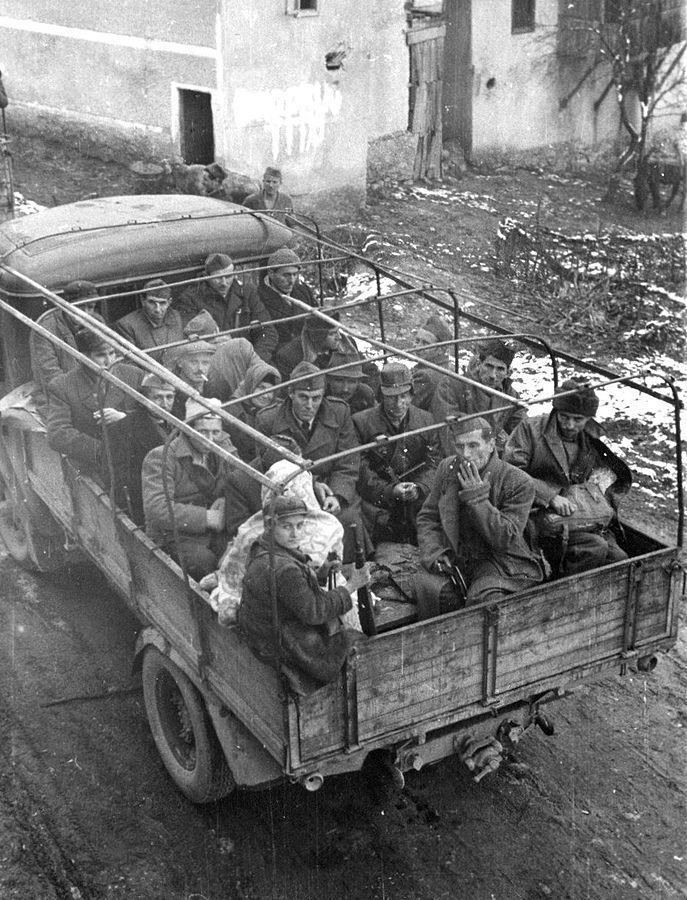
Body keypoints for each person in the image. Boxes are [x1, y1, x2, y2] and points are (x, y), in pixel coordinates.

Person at [415, 416, 544, 616]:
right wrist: (435, 552)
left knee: (485, 604)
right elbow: (428, 517)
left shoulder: (518, 480)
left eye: (473, 445)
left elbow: (507, 538)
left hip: (500, 561)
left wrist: (477, 498)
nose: (465, 454)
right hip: (456, 555)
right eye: (460, 446)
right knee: (429, 591)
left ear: (491, 445)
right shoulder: (447, 468)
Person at [238, 495, 369, 691]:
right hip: (282, 644)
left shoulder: (263, 547)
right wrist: (352, 585)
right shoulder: (283, 568)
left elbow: (291, 592)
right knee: (357, 642)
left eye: (299, 526)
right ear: (270, 525)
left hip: (266, 633)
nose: (295, 534)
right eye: (287, 527)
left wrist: (321, 573)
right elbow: (314, 611)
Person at [505, 380, 631, 576]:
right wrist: (550, 496)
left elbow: (604, 479)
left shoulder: (591, 439)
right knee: (595, 547)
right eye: (564, 417)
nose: (570, 425)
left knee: (619, 559)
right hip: (534, 514)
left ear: (588, 418)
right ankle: (558, 586)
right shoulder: (530, 429)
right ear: (556, 411)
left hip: (580, 515)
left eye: (578, 419)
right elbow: (510, 472)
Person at [255, 361, 367, 562]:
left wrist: (337, 495)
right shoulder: (268, 420)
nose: (310, 405)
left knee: (349, 520)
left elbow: (348, 460)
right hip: (289, 493)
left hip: (330, 489)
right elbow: (271, 467)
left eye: (316, 398)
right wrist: (312, 484)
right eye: (303, 397)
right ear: (290, 393)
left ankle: (345, 571)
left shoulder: (339, 412)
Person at [142, 399, 237, 580]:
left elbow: (237, 483)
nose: (210, 440)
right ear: (187, 429)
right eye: (202, 432)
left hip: (212, 532)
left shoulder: (220, 453)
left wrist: (224, 501)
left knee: (239, 555)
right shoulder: (161, 457)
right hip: (173, 536)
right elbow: (157, 508)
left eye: (215, 432)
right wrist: (207, 517)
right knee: (204, 562)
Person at [353, 362, 439, 544]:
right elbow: (360, 467)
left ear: (412, 394)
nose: (399, 404)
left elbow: (435, 461)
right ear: (381, 396)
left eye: (404, 396)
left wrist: (419, 487)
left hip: (418, 497)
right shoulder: (361, 423)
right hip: (379, 498)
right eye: (391, 398)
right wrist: (389, 491)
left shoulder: (427, 420)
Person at [46, 322, 143, 471]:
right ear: (83, 357)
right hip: (96, 464)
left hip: (136, 457)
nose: (109, 361)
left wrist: (124, 418)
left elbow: (153, 415)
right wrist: (104, 453)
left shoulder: (133, 375)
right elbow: (58, 434)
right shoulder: (62, 386)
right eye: (101, 355)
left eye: (112, 353)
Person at [101, 373, 176, 525]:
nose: (164, 404)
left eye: (169, 397)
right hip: (146, 501)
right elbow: (118, 478)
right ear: (144, 399)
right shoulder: (124, 428)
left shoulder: (180, 423)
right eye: (157, 397)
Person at [432, 339, 527, 456]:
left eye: (500, 369)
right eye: (489, 366)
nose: (493, 375)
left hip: (487, 454)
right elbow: (448, 431)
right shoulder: (451, 385)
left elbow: (523, 429)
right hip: (453, 454)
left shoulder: (510, 396)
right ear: (479, 365)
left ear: (508, 373)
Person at [175, 253, 277, 360]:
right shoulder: (190, 298)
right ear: (206, 276)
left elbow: (268, 332)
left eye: (228, 276)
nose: (224, 283)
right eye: (218, 278)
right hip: (212, 361)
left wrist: (253, 359)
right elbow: (190, 341)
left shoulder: (247, 292)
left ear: (235, 274)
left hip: (249, 358)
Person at [30, 280, 101, 403]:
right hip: (61, 396)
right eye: (79, 307)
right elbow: (51, 375)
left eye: (90, 307)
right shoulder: (45, 330)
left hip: (96, 388)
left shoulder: (97, 321)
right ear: (66, 306)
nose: (85, 313)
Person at [258, 248, 318, 348]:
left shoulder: (303, 290)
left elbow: (317, 321)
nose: (292, 281)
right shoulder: (258, 298)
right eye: (286, 275)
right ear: (271, 274)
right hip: (280, 353)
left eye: (295, 274)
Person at [224, 359, 281, 462]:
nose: (266, 395)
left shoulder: (277, 409)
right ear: (250, 385)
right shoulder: (231, 411)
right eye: (261, 387)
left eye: (271, 390)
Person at [274, 312, 356, 379]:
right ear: (318, 336)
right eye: (332, 334)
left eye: (338, 331)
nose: (339, 337)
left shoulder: (348, 345)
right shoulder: (289, 356)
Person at [114, 279, 184, 350]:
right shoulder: (127, 325)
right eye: (152, 302)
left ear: (169, 302)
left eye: (162, 303)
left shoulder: (175, 316)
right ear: (142, 301)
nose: (157, 309)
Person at [164, 338, 217, 421]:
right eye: (194, 362)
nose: (200, 368)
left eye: (205, 363)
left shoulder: (213, 388)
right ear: (180, 363)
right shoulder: (171, 391)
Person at [411, 314, 454, 412]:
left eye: (425, 343)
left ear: (441, 349)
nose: (418, 347)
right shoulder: (448, 366)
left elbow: (405, 407)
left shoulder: (425, 376)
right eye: (417, 341)